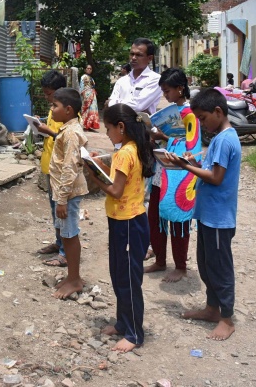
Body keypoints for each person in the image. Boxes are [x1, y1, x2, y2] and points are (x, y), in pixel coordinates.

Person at [85, 103, 153, 353]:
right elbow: (118, 176)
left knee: (128, 278)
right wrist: (98, 164)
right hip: (124, 220)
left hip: (128, 222)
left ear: (121, 127)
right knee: (118, 273)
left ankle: (135, 333)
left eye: (109, 128)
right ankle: (123, 322)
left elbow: (115, 189)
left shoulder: (126, 152)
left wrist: (93, 175)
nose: (106, 133)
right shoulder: (130, 148)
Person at [175, 88, 241, 341]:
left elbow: (215, 177)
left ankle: (226, 318)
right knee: (206, 264)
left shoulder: (225, 140)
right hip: (208, 215)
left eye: (202, 118)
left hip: (218, 217)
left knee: (220, 267)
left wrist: (187, 166)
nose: (200, 123)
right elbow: (211, 168)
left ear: (218, 111)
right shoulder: (220, 138)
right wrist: (195, 162)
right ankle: (212, 309)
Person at [145, 68, 200, 283]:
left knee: (177, 220)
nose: (165, 95)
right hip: (162, 170)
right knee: (155, 217)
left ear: (180, 88)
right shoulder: (173, 111)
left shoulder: (191, 114)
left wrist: (163, 136)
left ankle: (180, 266)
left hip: (178, 173)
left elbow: (191, 145)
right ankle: (160, 260)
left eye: (168, 91)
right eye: (163, 91)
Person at [48, 88, 89, 299]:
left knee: (70, 235)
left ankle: (74, 279)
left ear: (69, 109)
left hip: (69, 193)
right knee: (66, 234)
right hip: (64, 192)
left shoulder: (72, 133)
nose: (52, 109)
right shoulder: (68, 128)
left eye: (55, 106)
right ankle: (72, 276)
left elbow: (70, 167)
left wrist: (62, 199)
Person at [34, 70, 69, 267]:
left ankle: (65, 252)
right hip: (50, 165)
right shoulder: (54, 109)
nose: (48, 98)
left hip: (62, 169)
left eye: (50, 94)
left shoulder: (68, 110)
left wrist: (50, 131)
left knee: (63, 211)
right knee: (55, 209)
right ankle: (59, 243)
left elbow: (69, 138)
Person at [108, 38, 162, 114]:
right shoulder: (122, 81)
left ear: (149, 58)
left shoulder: (155, 79)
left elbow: (138, 106)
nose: (133, 58)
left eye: (139, 55)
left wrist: (113, 103)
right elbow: (110, 107)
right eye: (132, 54)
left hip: (143, 125)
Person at [80, 64, 100, 131]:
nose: (89, 70)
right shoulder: (83, 77)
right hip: (87, 95)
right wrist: (84, 95)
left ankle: (90, 125)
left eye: (90, 68)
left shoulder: (91, 78)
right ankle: (85, 125)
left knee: (92, 110)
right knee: (86, 110)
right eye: (88, 68)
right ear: (85, 69)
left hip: (92, 95)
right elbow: (81, 87)